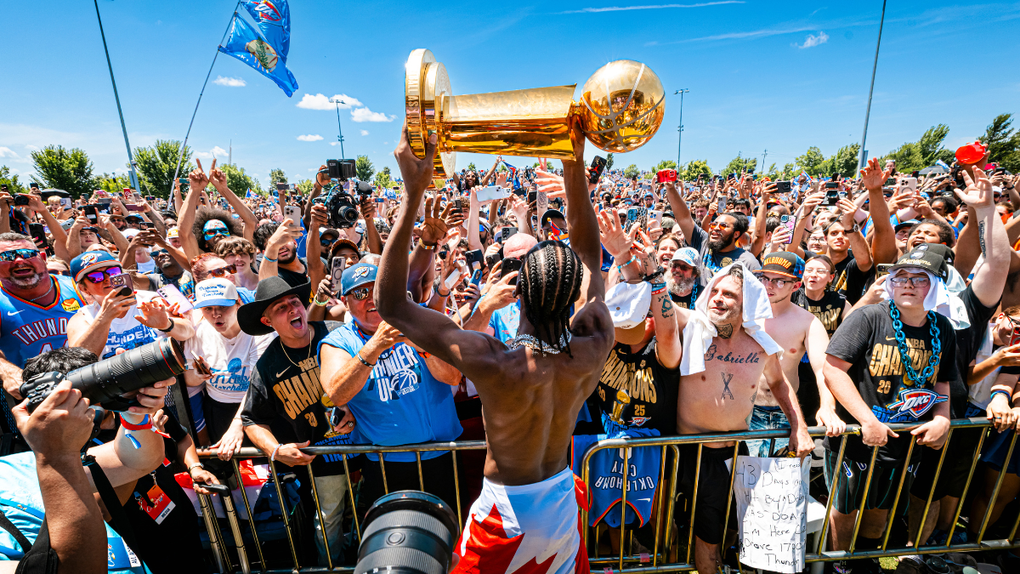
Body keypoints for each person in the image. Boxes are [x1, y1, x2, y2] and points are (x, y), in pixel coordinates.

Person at [372, 123, 614, 574]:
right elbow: (588, 252)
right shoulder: (594, 344)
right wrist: (573, 159)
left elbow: (390, 305)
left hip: (505, 514)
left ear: (518, 288)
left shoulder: (495, 361)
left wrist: (412, 193)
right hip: (560, 500)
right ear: (575, 293)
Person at [822, 248, 958, 574]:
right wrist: (866, 420)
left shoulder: (943, 328)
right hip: (857, 440)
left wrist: (942, 419)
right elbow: (833, 369)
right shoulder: (868, 317)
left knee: (881, 509)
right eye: (900, 278)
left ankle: (866, 561)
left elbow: (942, 383)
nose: (907, 285)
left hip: (905, 440)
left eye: (919, 279)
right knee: (845, 508)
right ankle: (840, 566)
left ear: (938, 286)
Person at [677, 262, 812, 574]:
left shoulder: (760, 345)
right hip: (686, 452)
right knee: (681, 534)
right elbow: (659, 306)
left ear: (747, 305)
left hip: (734, 454)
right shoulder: (692, 326)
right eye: (715, 291)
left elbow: (779, 383)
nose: (718, 298)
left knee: (725, 533)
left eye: (729, 295)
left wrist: (799, 425)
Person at [0, 346, 173, 573]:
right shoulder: (47, 458)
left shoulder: (16, 467)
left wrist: (133, 413)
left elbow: (134, 461)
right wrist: (57, 455)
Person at [318, 262, 464, 511]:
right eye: (360, 294)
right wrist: (374, 346)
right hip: (387, 464)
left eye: (375, 291)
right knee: (398, 542)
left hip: (442, 455)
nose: (370, 300)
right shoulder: (337, 342)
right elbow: (337, 392)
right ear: (345, 301)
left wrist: (420, 344)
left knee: (449, 536)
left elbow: (452, 377)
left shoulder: (418, 320)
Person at [239, 277, 352, 566]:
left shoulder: (339, 334)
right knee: (329, 523)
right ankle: (336, 570)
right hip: (324, 459)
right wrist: (276, 450)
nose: (292, 310)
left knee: (379, 510)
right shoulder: (268, 366)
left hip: (371, 444)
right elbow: (251, 418)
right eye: (281, 308)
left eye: (295, 303)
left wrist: (355, 405)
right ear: (267, 321)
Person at [747, 252, 833, 456]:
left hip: (786, 414)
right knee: (743, 482)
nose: (768, 285)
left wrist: (827, 406)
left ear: (795, 285)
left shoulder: (807, 322)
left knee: (785, 480)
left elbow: (824, 369)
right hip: (746, 411)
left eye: (778, 281)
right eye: (764, 278)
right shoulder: (745, 315)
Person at [183, 278, 272, 454]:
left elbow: (258, 386)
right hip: (218, 409)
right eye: (208, 309)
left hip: (257, 408)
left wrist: (239, 422)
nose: (216, 314)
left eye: (223, 307)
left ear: (238, 303)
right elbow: (189, 381)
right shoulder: (198, 332)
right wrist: (199, 375)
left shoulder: (258, 333)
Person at [0, 233, 85, 410]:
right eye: (6, 257)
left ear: (43, 258)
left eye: (27, 253)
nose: (19, 261)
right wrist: (6, 371)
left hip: (89, 382)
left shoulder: (77, 287)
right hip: (36, 397)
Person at [65, 251, 194, 360]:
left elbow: (188, 332)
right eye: (96, 276)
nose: (107, 278)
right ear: (84, 288)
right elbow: (78, 360)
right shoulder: (83, 317)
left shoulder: (149, 299)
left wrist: (167, 324)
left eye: (112, 271)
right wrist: (104, 318)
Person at [665, 180, 761, 283]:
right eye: (714, 224)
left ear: (736, 234)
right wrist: (670, 188)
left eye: (723, 225)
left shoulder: (747, 262)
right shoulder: (702, 243)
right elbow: (684, 219)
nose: (716, 228)